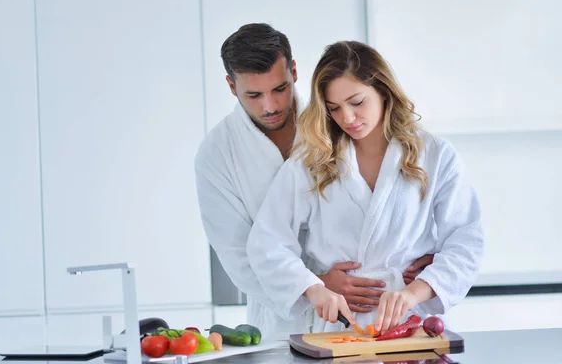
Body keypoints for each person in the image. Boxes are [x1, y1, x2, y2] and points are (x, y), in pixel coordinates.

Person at [194, 24, 433, 339]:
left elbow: (388, 198)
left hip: (369, 306)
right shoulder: (217, 153)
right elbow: (238, 254)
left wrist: (425, 254)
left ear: (293, 71)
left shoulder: (335, 119)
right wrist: (313, 285)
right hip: (280, 319)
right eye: (253, 94)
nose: (271, 106)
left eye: (280, 88)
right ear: (231, 85)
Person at [246, 40, 484, 336]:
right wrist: (313, 288)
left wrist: (415, 293)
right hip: (340, 324)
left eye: (357, 103)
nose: (347, 118)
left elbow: (466, 240)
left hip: (413, 322)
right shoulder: (312, 162)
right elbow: (267, 242)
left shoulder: (435, 155)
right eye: (334, 108)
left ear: (383, 91)